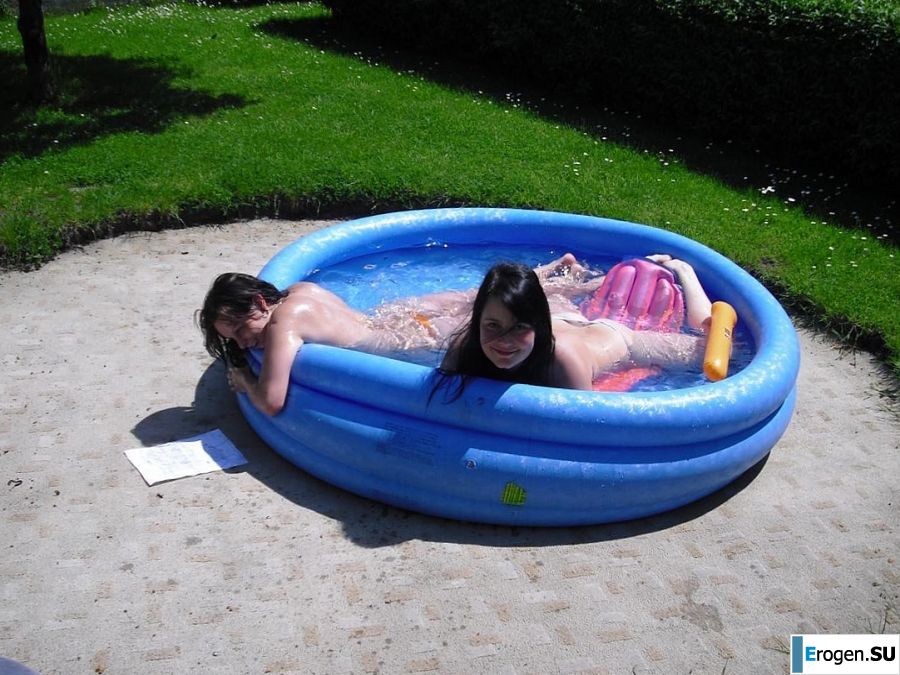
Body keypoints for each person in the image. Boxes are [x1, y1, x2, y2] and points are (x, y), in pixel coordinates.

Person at [197, 255, 599, 416]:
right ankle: (554, 273)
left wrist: (245, 379)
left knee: (489, 312)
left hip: (408, 340)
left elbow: (271, 401)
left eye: (239, 330)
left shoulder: (285, 322)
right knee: (471, 299)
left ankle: (569, 298)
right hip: (393, 318)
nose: (242, 343)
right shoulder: (299, 290)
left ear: (260, 304)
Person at [435, 255, 713, 396]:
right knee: (523, 297)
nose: (504, 341)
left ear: (536, 325)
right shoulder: (463, 347)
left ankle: (684, 272)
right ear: (478, 321)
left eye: (519, 327)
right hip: (559, 318)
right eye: (492, 325)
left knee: (706, 343)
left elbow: (583, 431)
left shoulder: (564, 361)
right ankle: (571, 271)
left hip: (610, 337)